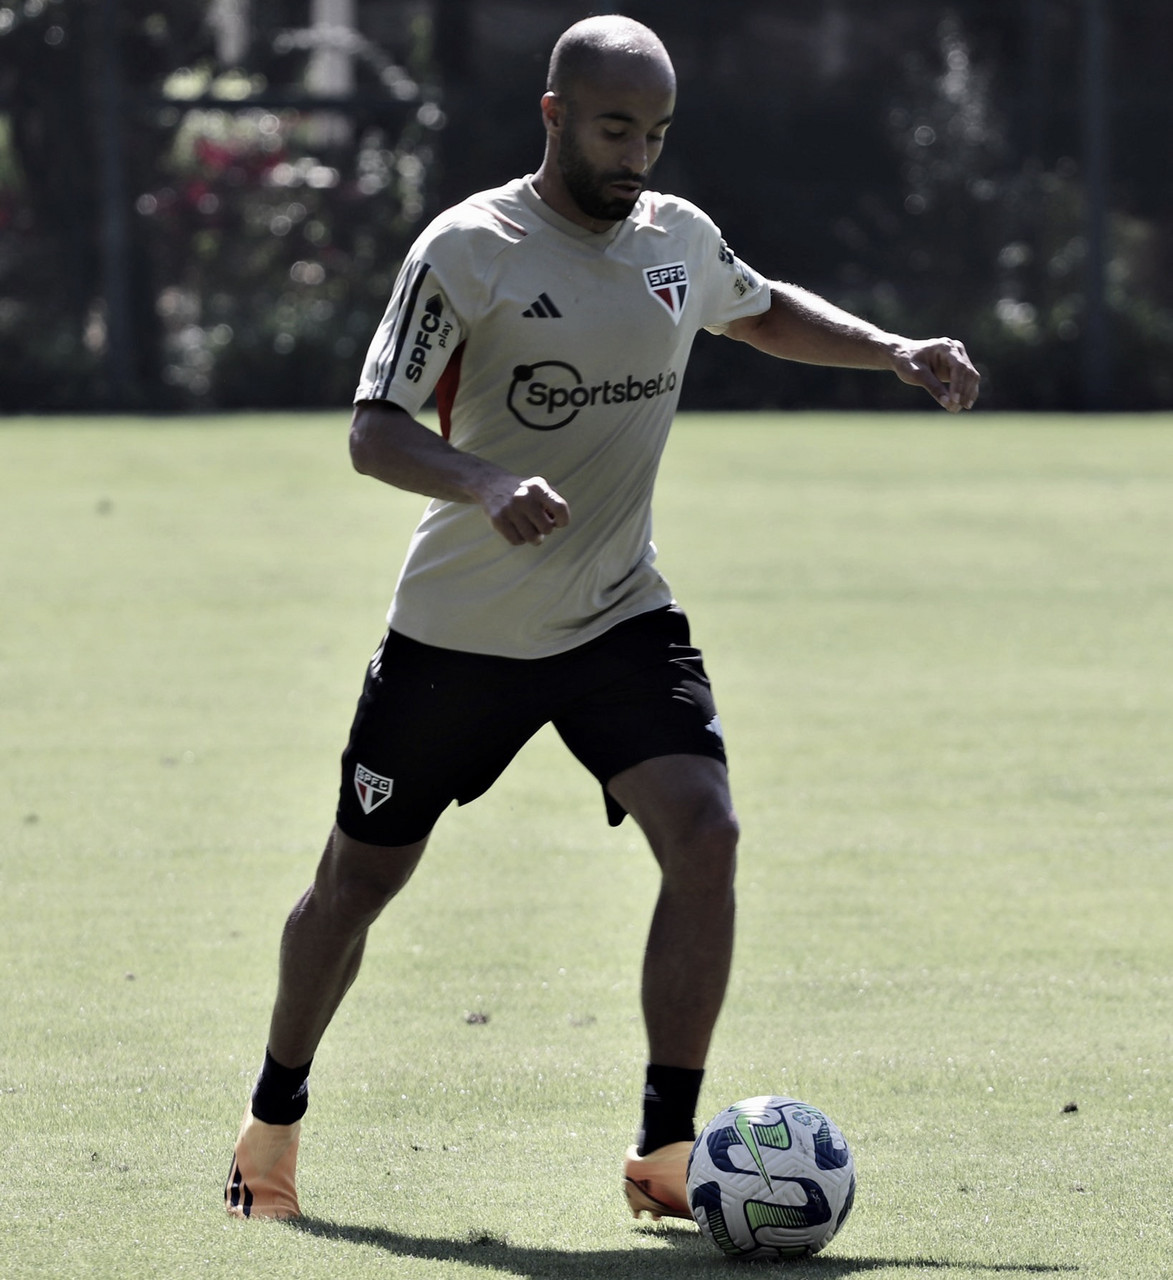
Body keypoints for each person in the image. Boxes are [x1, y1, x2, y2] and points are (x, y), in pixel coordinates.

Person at [225, 14, 980, 1224]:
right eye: (616, 128)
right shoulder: (466, 248)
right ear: (555, 114)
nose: (637, 156)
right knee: (353, 885)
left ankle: (667, 1155)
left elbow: (759, 304)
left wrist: (891, 349)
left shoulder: (674, 238)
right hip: (459, 633)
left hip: (619, 611)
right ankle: (273, 1121)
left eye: (657, 134)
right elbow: (373, 426)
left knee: (708, 829)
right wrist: (481, 481)